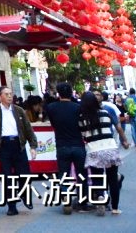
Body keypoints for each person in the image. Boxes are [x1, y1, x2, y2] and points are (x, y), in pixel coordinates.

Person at [0, 85, 36, 217]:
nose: (9, 96)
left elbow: (28, 129)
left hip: (18, 145)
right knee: (7, 178)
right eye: (6, 94)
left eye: (10, 94)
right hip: (3, 147)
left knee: (24, 175)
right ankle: (11, 206)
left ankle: (25, 195)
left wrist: (33, 146)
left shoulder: (19, 110)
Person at [79, 91, 126, 216]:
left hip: (94, 150)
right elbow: (116, 128)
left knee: (97, 177)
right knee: (113, 179)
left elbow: (83, 135)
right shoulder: (105, 113)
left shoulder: (82, 118)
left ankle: (100, 197)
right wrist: (124, 141)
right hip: (110, 148)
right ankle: (115, 208)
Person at [45, 82, 86, 214]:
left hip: (62, 145)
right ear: (71, 92)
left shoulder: (51, 107)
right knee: (81, 174)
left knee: (64, 174)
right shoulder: (78, 107)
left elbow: (52, 123)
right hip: (78, 145)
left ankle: (66, 199)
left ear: (58, 93)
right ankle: (82, 201)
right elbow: (82, 126)